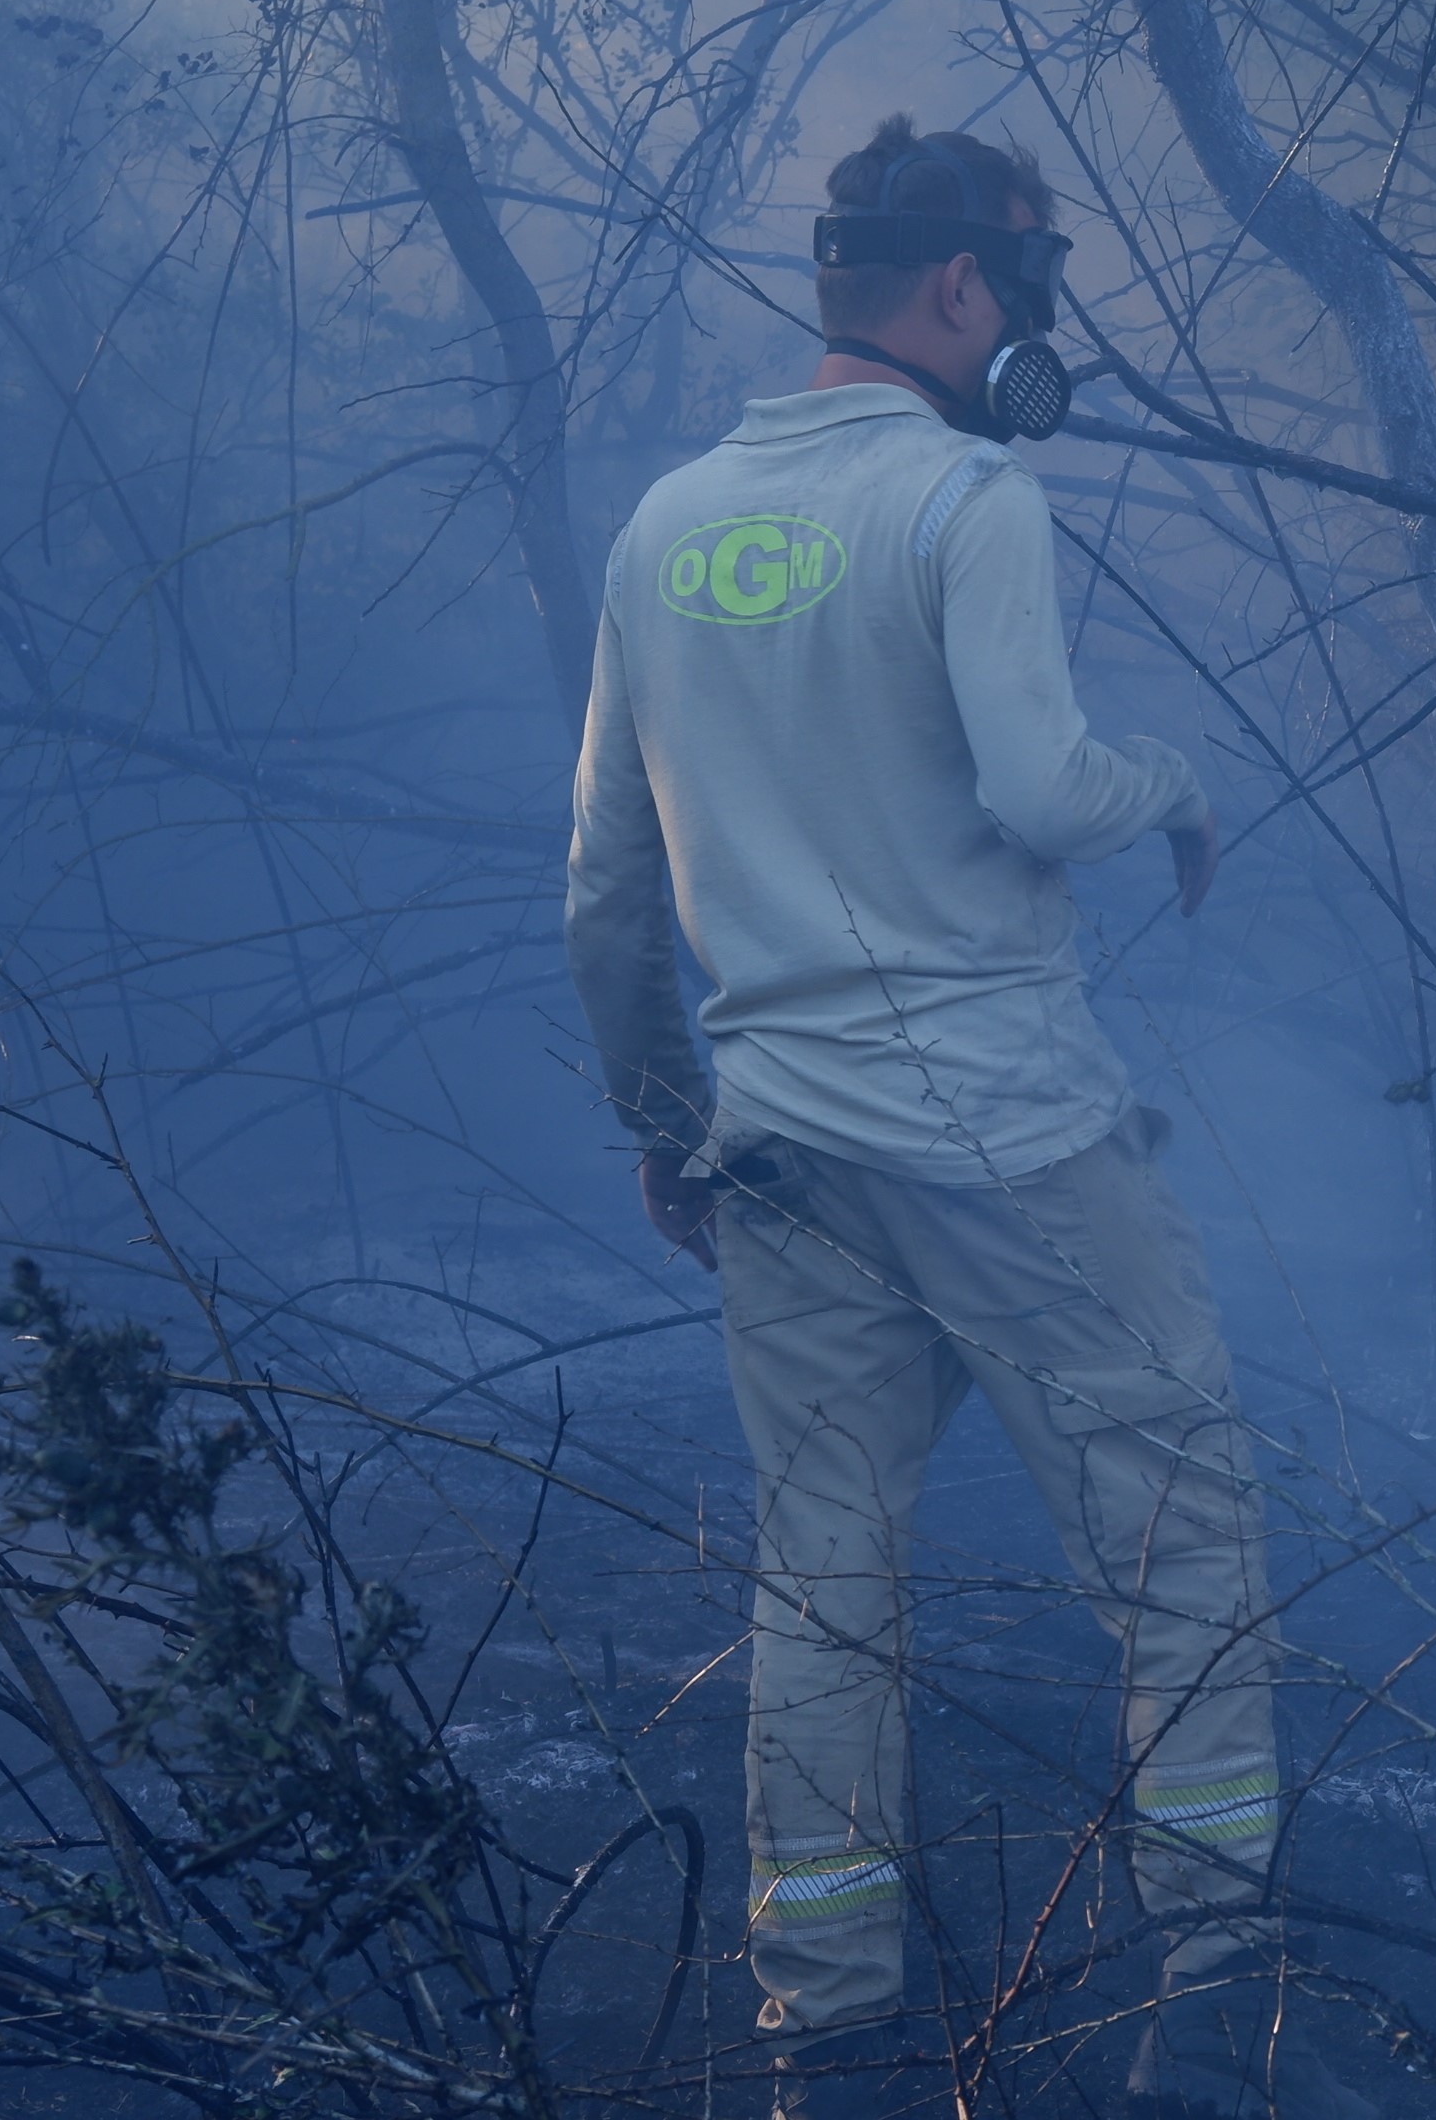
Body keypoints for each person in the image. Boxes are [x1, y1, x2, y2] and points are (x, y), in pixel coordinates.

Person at [565, 116, 1353, 2120]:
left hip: (789, 1147)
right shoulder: (965, 495)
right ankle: (1216, 2004)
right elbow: (1033, 784)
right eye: (1031, 291)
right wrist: (1169, 784)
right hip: (1005, 1133)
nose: (1036, 330)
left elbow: (599, 885)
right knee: (1180, 1542)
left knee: (825, 1570)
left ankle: (822, 2031)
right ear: (955, 294)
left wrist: (668, 1121)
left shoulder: (663, 527)